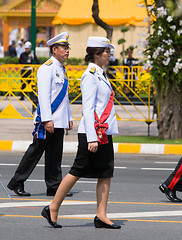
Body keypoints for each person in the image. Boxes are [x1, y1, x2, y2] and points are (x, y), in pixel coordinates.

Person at [41, 36, 121, 229]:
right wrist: (92, 138)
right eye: (106, 52)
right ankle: (52, 207)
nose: (109, 55)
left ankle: (101, 215)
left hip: (103, 132)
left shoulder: (101, 74)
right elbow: (88, 108)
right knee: (77, 171)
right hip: (92, 133)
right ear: (96, 54)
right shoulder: (90, 75)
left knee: (105, 172)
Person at [7, 32, 73, 198]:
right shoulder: (46, 68)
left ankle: (54, 186)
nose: (67, 50)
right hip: (47, 120)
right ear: (54, 49)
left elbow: (65, 97)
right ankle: (17, 182)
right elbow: (43, 96)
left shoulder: (62, 69)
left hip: (58, 121)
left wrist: (68, 118)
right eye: (64, 48)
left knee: (55, 155)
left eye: (67, 47)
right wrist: (47, 119)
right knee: (35, 152)